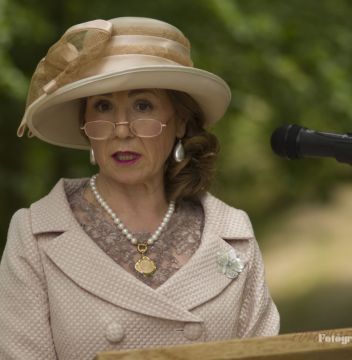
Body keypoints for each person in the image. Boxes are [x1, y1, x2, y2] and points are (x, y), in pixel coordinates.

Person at [0, 16, 280, 360]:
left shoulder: (233, 234)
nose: (121, 130)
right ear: (86, 127)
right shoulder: (35, 235)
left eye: (142, 105)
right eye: (103, 106)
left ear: (179, 122)